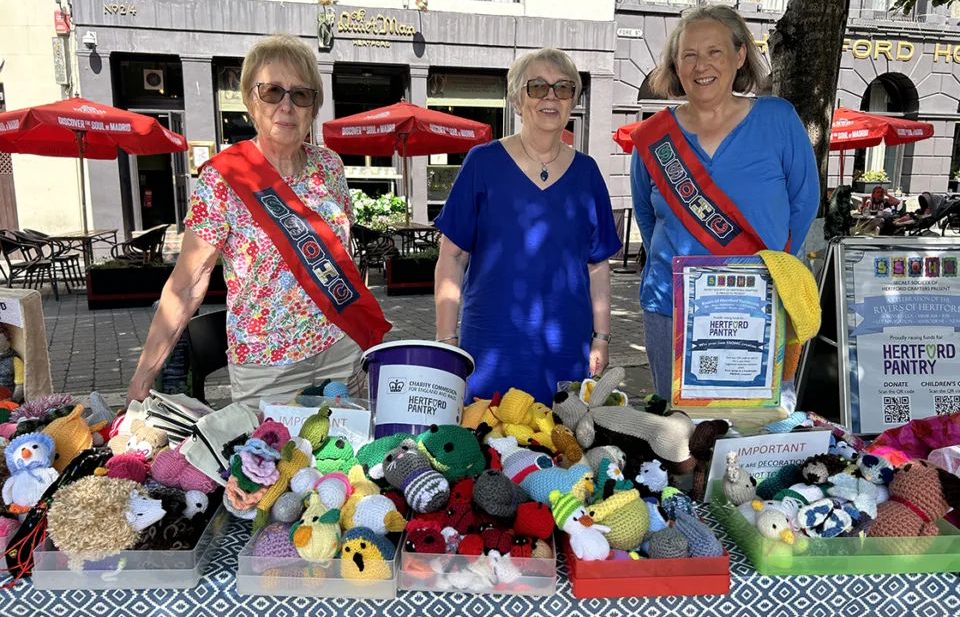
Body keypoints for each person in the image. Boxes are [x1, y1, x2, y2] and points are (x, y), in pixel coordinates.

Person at [126, 34, 390, 408]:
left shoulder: (329, 167)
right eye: (272, 92)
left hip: (342, 349)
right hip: (268, 367)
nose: (287, 105)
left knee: (346, 461)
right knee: (270, 464)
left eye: (301, 94)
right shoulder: (222, 178)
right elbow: (186, 285)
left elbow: (342, 256)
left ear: (314, 108)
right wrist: (143, 377)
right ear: (251, 100)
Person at [630, 5, 819, 400]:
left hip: (760, 305)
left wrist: (764, 264)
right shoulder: (652, 137)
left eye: (714, 51)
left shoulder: (778, 120)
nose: (702, 65)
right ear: (676, 66)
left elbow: (804, 204)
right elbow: (648, 223)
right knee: (680, 439)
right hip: (671, 307)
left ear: (739, 57)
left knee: (758, 434)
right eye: (689, 55)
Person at [434, 48, 622, 405]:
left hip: (566, 343)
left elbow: (598, 265)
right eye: (537, 87)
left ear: (573, 101)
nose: (550, 96)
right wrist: (447, 342)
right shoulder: (483, 163)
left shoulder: (587, 173)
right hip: (492, 342)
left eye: (563, 88)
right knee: (485, 442)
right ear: (518, 99)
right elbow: (452, 256)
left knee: (564, 442)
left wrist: (601, 338)